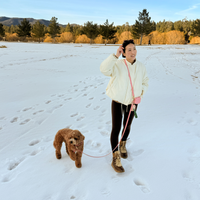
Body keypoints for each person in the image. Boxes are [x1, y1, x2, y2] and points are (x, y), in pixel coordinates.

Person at [100, 40, 149, 173]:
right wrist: (115, 56)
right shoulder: (118, 64)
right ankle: (115, 157)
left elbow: (145, 81)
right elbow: (104, 69)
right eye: (129, 50)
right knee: (116, 128)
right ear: (123, 52)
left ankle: (123, 144)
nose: (133, 52)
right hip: (118, 100)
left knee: (127, 126)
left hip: (133, 102)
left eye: (134, 49)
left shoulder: (141, 67)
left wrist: (140, 94)